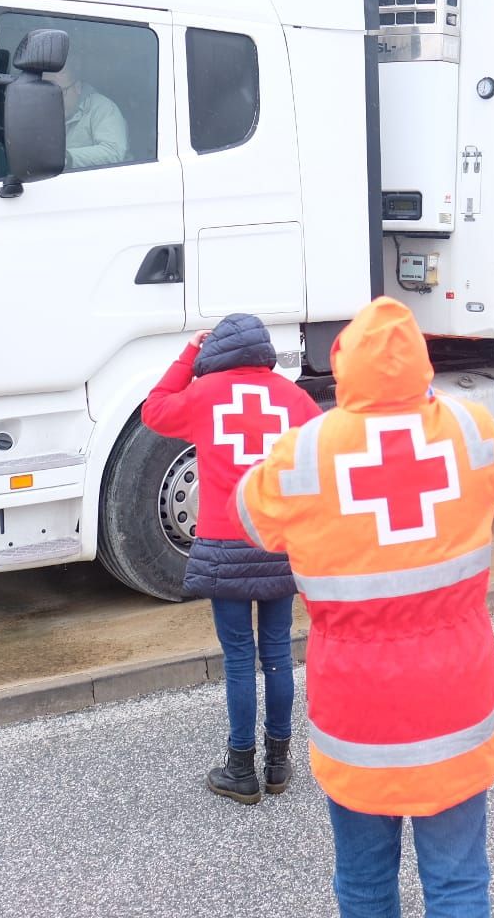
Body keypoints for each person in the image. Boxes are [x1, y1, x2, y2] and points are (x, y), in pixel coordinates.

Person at [236, 297, 494, 917]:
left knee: (364, 885)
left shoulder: (306, 452)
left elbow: (250, 514)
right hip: (456, 702)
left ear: (343, 365)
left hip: (357, 711)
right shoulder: (471, 430)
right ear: (421, 361)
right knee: (459, 884)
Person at [142, 313, 320, 804]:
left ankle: (240, 768)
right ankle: (279, 764)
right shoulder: (294, 398)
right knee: (279, 655)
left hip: (224, 547)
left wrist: (186, 357)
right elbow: (323, 452)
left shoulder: (205, 394)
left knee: (240, 660)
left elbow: (154, 411)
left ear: (216, 350)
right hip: (277, 544)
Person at [50, 57, 128, 169]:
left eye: (60, 92)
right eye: (50, 94)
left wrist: (66, 158)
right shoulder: (41, 112)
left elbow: (113, 152)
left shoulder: (103, 107)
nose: (55, 100)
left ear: (77, 87)